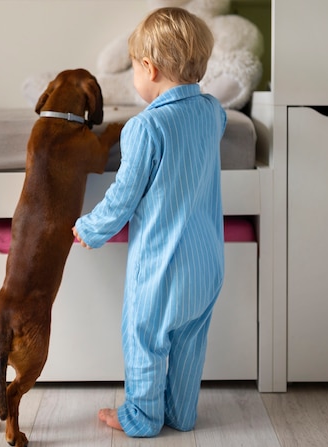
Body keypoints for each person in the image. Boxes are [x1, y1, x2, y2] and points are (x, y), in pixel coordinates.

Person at [72, 6, 226, 437]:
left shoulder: (144, 128)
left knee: (146, 339)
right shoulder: (213, 112)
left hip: (162, 265)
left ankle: (141, 417)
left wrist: (90, 228)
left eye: (135, 71)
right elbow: (216, 123)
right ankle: (181, 413)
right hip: (207, 262)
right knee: (189, 341)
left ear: (149, 68)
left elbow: (123, 197)